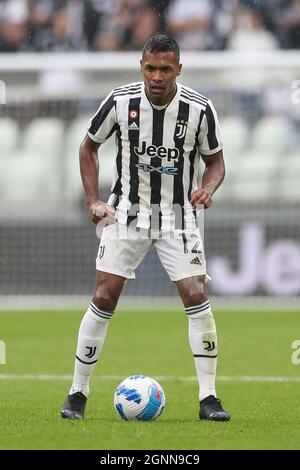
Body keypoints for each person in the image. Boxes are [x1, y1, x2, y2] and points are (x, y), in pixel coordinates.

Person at [61, 34, 230, 422]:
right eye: (150, 68)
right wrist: (93, 200)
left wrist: (207, 187)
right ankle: (77, 393)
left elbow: (216, 161)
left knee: (195, 293)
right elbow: (88, 146)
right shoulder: (120, 101)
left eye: (165, 69)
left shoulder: (200, 109)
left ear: (179, 69)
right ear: (141, 66)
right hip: (125, 213)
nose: (157, 76)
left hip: (177, 216)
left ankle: (209, 398)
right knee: (104, 297)